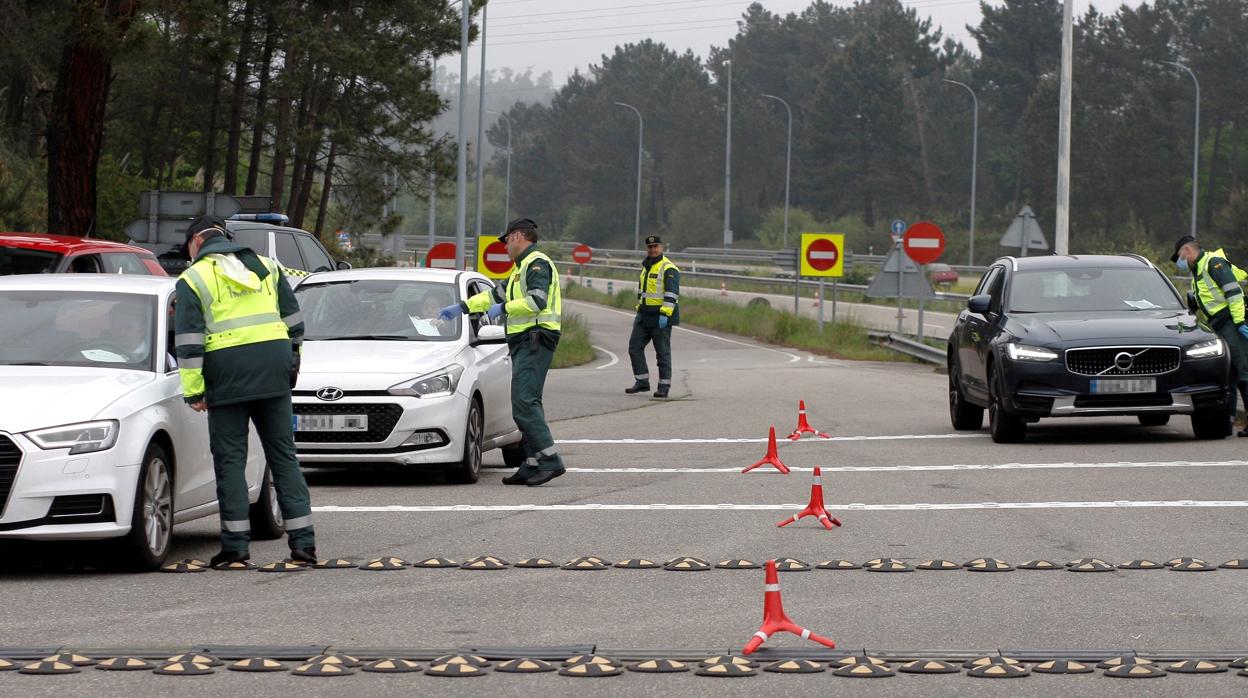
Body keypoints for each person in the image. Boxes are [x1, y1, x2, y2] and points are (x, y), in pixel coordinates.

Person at [174, 214, 318, 568]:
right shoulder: (268, 267)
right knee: (283, 456)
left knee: (230, 461)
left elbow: (190, 343)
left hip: (227, 375)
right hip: (273, 370)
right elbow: (294, 321)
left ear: (196, 242)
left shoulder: (193, 277)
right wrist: (292, 363)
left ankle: (236, 548)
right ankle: (304, 545)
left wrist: (194, 392)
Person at [438, 218, 565, 486]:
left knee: (523, 404)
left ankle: (550, 460)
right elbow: (493, 295)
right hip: (525, 340)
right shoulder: (521, 269)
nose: (505, 246)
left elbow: (537, 301)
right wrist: (462, 308)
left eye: (506, 240)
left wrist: (504, 309)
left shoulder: (537, 263)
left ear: (518, 236)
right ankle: (531, 463)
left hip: (535, 337)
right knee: (527, 403)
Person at [1172, 234, 1248, 436]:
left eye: (1179, 256)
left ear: (1187, 251)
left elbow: (1234, 292)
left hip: (1231, 322)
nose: (1180, 262)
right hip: (1219, 326)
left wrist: (1239, 322)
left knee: (1243, 373)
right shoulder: (1198, 273)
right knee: (1230, 376)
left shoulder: (1212, 264)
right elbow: (1201, 303)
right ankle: (1228, 422)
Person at [625, 235, 680, 398]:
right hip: (644, 315)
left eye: (656, 246)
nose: (653, 249)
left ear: (662, 247)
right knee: (634, 348)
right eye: (650, 247)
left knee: (662, 353)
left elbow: (672, 294)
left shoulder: (669, 268)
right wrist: (639, 308)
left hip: (661, 316)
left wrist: (665, 314)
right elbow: (643, 291)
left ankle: (664, 386)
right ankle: (642, 382)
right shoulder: (646, 266)